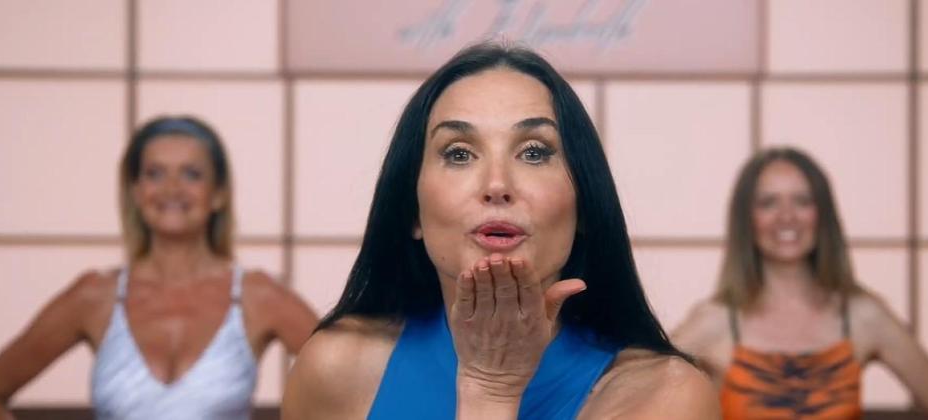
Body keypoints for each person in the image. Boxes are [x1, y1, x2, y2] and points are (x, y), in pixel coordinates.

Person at [281, 42, 719, 419]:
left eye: (534, 152)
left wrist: (491, 388)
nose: (496, 185)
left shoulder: (666, 395)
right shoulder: (335, 369)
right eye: (458, 153)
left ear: (584, 207)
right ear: (412, 211)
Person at [0, 116, 318, 420]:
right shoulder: (94, 297)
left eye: (191, 174)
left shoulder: (258, 297)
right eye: (155, 174)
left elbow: (345, 381)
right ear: (136, 192)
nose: (171, 188)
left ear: (219, 194)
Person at [669, 147, 928, 419]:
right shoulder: (715, 321)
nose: (787, 216)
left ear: (823, 214)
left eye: (803, 201)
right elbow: (645, 391)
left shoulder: (862, 316)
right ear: (747, 219)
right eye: (768, 203)